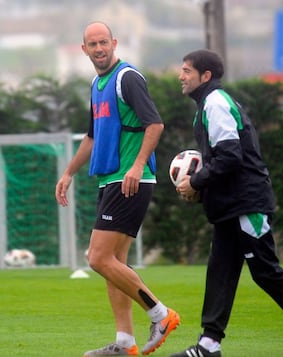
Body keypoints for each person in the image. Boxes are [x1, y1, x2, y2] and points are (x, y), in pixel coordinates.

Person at [171, 49, 283, 357]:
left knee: (265, 271)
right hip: (228, 206)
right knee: (220, 271)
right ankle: (209, 345)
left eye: (186, 71)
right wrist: (202, 189)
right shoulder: (205, 106)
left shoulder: (216, 102)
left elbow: (231, 157)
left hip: (246, 204)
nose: (180, 76)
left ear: (205, 76)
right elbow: (223, 161)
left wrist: (196, 181)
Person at [55, 22, 180, 357]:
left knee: (97, 257)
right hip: (110, 179)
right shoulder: (98, 84)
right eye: (92, 44)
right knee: (114, 263)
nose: (99, 48)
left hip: (129, 180)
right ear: (84, 50)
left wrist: (138, 166)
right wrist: (68, 172)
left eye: (103, 42)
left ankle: (160, 314)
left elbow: (154, 124)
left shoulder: (127, 77)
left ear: (114, 43)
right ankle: (125, 343)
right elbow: (93, 136)